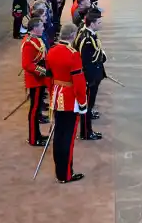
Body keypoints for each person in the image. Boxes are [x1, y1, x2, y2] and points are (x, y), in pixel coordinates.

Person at [45, 23, 88, 183]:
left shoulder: (52, 51)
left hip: (56, 95)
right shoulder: (73, 54)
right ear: (72, 36)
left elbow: (48, 76)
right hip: (69, 98)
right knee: (68, 138)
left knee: (59, 135)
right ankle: (66, 174)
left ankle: (60, 171)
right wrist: (83, 103)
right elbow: (79, 83)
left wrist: (52, 93)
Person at [75, 9, 106, 141]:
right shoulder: (87, 40)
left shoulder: (90, 35)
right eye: (99, 22)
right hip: (90, 78)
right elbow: (86, 62)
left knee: (89, 105)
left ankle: (87, 131)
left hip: (94, 76)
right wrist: (87, 80)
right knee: (87, 105)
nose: (101, 24)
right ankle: (86, 132)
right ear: (92, 24)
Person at [21, 18, 50, 147]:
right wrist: (43, 71)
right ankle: (33, 138)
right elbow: (27, 64)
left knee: (37, 109)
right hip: (35, 80)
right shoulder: (29, 43)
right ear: (34, 28)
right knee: (34, 110)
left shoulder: (35, 39)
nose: (43, 28)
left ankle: (37, 135)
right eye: (41, 26)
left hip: (39, 79)